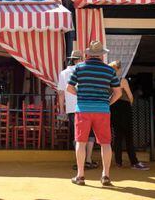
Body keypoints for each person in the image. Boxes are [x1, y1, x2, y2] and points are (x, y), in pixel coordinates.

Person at [67, 41, 122, 186]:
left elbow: (69, 88)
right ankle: (106, 175)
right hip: (102, 111)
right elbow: (118, 92)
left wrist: (81, 95)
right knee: (105, 143)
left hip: (83, 109)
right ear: (101, 55)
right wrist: (107, 103)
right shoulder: (109, 70)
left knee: (81, 142)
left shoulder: (79, 68)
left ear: (88, 54)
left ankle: (80, 176)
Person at [57, 50, 98, 170]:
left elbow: (61, 94)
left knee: (77, 135)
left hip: (71, 108)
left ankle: (79, 161)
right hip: (86, 106)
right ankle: (89, 160)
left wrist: (61, 110)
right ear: (79, 59)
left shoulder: (63, 73)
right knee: (89, 133)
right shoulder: (84, 70)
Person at [109, 61, 149, 171]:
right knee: (128, 136)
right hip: (124, 108)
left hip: (113, 108)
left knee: (117, 136)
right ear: (118, 69)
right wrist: (129, 104)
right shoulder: (123, 80)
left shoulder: (108, 82)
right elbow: (130, 96)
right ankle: (134, 162)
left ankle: (118, 162)